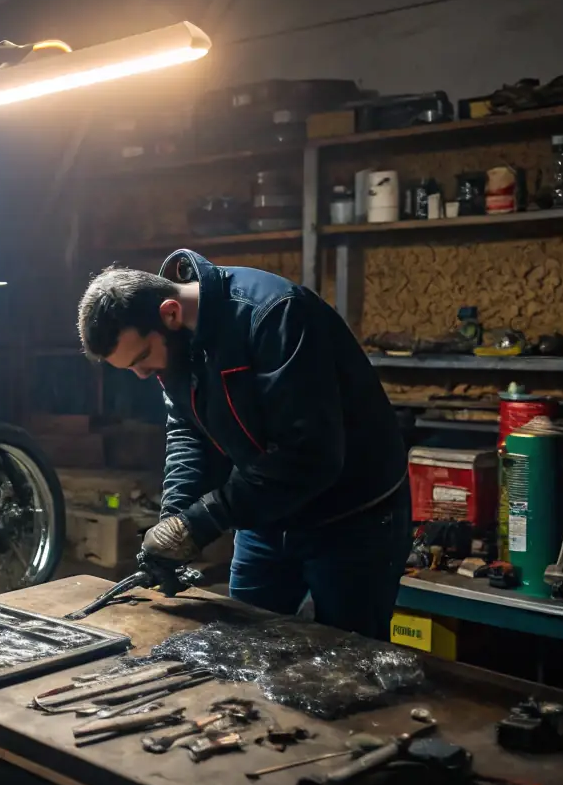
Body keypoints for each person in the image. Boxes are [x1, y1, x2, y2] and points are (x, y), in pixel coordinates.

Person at [75, 250, 409, 641]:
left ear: (170, 313)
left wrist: (201, 521)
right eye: (131, 366)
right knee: (243, 649)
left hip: (351, 518)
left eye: (144, 358)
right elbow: (190, 430)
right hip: (266, 515)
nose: (142, 373)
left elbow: (309, 456)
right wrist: (175, 518)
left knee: (352, 662)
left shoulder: (273, 313)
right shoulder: (176, 349)